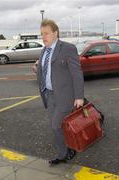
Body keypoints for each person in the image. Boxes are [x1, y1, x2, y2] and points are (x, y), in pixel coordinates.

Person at [35, 19, 84, 165]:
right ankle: (66, 151)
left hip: (64, 96)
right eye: (41, 34)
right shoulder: (44, 50)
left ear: (55, 33)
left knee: (56, 125)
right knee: (55, 125)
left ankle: (64, 153)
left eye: (46, 34)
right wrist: (38, 69)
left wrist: (79, 96)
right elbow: (47, 69)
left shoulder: (67, 48)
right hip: (49, 95)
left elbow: (77, 73)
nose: (43, 37)